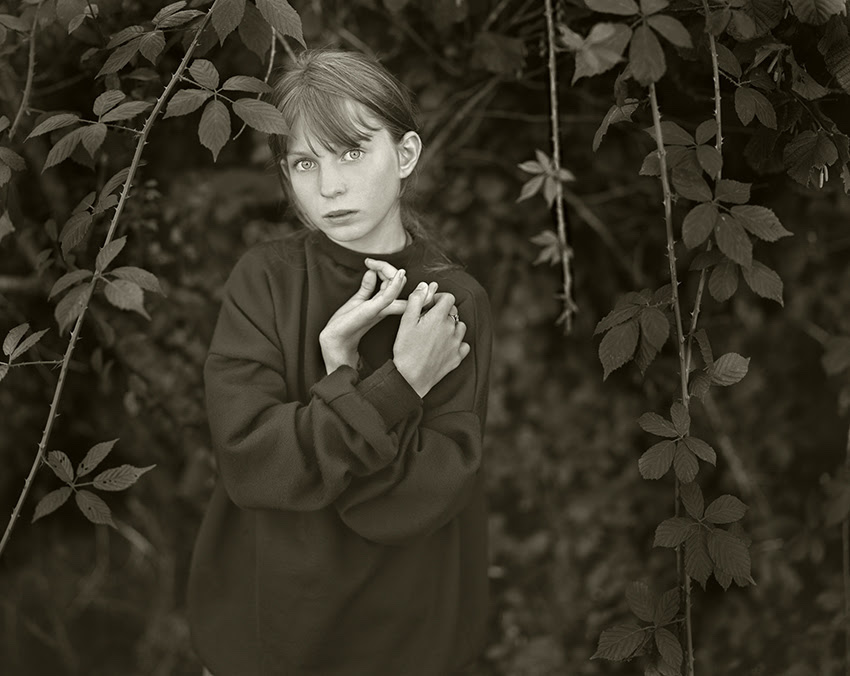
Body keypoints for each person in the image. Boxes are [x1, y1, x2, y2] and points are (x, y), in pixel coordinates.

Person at [187, 48, 493, 676]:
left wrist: (330, 412)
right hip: (266, 635)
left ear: (404, 155)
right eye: (305, 162)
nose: (329, 187)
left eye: (352, 152)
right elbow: (253, 466)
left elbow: (408, 501)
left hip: (407, 642)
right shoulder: (266, 281)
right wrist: (395, 385)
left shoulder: (451, 304)